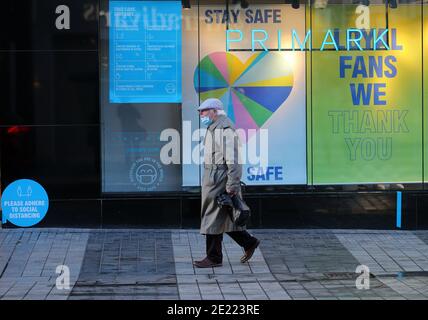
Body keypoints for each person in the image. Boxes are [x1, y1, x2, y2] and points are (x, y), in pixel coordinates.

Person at [193, 98, 260, 268]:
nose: (201, 114)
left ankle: (214, 258)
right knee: (223, 217)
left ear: (215, 111)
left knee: (212, 218)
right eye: (200, 111)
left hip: (219, 178)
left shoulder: (224, 130)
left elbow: (234, 160)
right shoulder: (215, 127)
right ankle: (248, 242)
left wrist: (232, 185)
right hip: (214, 176)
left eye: (204, 111)